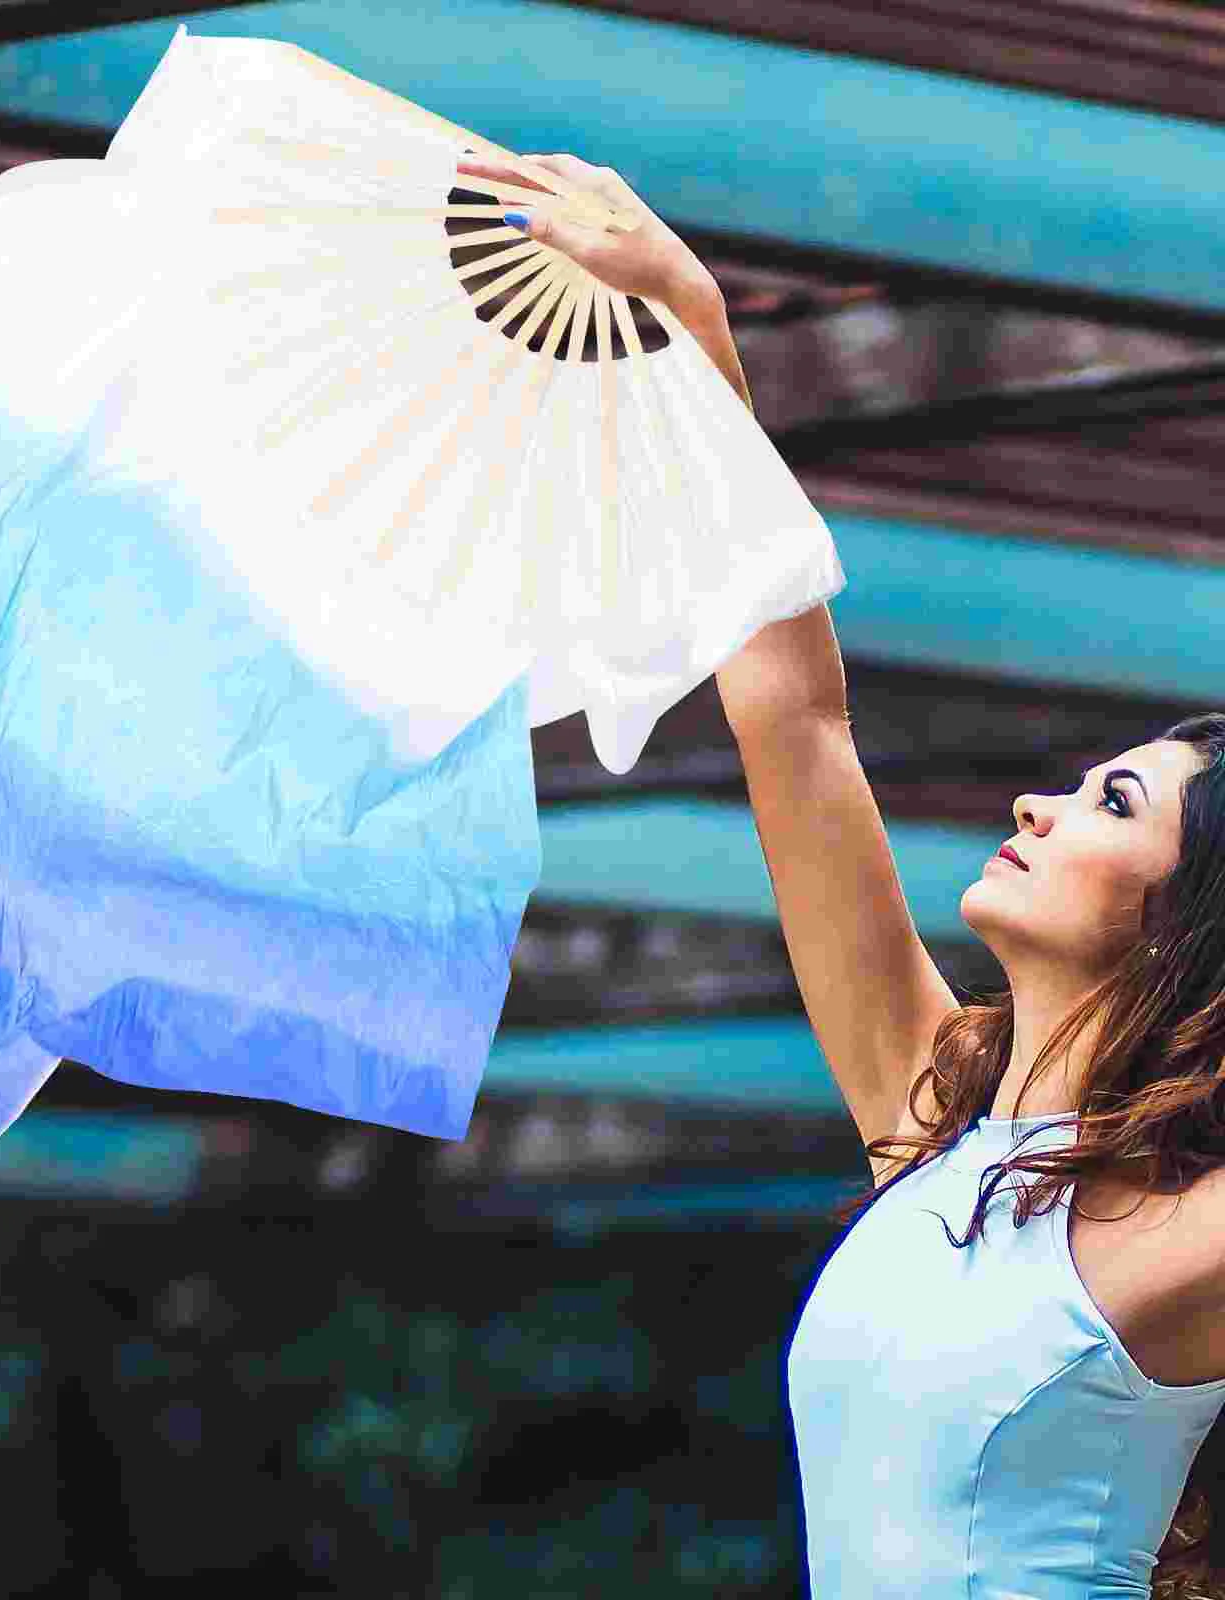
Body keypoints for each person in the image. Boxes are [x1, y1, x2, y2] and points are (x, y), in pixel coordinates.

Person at [468, 150, 1225, 1598]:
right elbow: (797, 726)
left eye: (1112, 801)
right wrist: (694, 319)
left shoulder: (1182, 1241)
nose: (1039, 800)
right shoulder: (928, 1125)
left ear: (1185, 928)